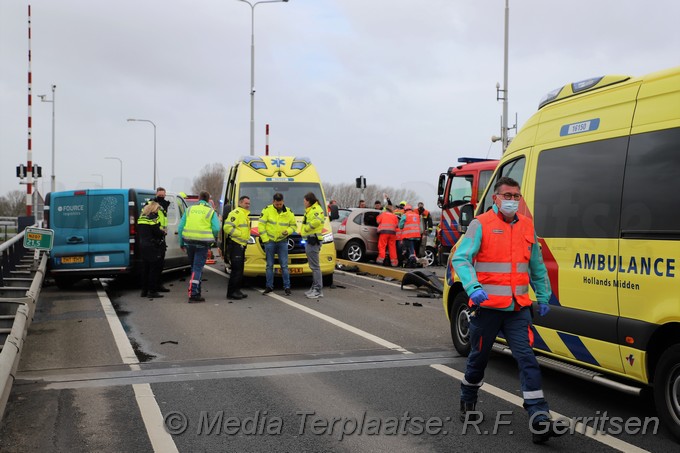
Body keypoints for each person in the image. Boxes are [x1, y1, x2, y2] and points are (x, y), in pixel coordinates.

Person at [451, 176, 562, 444]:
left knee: (527, 359)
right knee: (478, 358)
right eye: (508, 195)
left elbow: (536, 265)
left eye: (516, 196)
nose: (513, 200)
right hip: (487, 308)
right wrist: (472, 287)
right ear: (496, 198)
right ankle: (468, 397)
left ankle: (539, 418)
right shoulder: (481, 225)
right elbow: (461, 258)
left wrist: (544, 296)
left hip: (517, 309)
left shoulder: (526, 226)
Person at [178, 191, 220, 303]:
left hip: (189, 242)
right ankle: (193, 294)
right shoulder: (211, 211)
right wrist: (211, 239)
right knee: (197, 268)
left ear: (199, 198)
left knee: (194, 267)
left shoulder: (189, 209)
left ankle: (196, 290)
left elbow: (181, 227)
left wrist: (181, 242)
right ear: (208, 199)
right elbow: (216, 228)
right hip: (202, 244)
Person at [258, 193, 296, 295]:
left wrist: (287, 231)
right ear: (273, 201)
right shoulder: (267, 210)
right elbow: (261, 225)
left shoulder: (288, 212)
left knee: (284, 265)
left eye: (280, 204)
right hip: (269, 241)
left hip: (282, 241)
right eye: (277, 204)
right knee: (269, 265)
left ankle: (287, 287)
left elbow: (293, 226)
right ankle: (269, 286)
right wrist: (265, 239)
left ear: (283, 201)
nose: (279, 206)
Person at [223, 195, 251, 301]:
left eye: (248, 203)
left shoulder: (244, 215)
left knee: (240, 270)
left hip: (241, 245)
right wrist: (239, 234)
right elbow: (227, 227)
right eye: (246, 203)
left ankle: (237, 290)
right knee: (236, 270)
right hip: (236, 244)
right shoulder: (236, 213)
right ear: (240, 203)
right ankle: (231, 293)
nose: (248, 205)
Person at [137, 201, 165, 298]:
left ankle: (144, 291)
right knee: (154, 269)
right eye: (157, 209)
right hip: (152, 246)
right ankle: (152, 291)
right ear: (153, 209)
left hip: (143, 245)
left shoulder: (141, 218)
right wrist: (163, 232)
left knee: (145, 269)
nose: (158, 211)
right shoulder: (152, 218)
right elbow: (156, 232)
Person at [301, 192, 325, 299]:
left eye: (305, 201)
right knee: (313, 266)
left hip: (313, 240)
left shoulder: (316, 210)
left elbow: (316, 222)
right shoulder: (310, 210)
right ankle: (314, 287)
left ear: (309, 201)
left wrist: (306, 229)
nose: (304, 203)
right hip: (309, 240)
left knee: (315, 267)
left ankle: (318, 290)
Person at [147, 187, 171, 292]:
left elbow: (164, 219)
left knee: (161, 264)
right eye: (159, 195)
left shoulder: (165, 205)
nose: (161, 197)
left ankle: (158, 285)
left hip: (161, 236)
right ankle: (152, 287)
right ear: (156, 194)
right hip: (154, 236)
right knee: (155, 264)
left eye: (163, 195)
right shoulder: (151, 204)